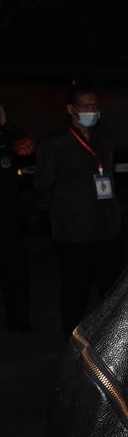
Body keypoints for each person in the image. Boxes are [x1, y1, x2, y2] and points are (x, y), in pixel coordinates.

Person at [35, 85, 121, 338]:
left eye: (94, 105)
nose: (90, 110)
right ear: (70, 109)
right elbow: (42, 187)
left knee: (110, 289)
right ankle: (71, 341)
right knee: (76, 291)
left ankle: (109, 341)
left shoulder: (104, 140)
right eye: (85, 106)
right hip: (74, 233)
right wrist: (63, 213)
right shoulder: (55, 144)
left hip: (106, 229)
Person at [0, 102, 34, 331]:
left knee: (15, 273)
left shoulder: (6, 138)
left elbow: (26, 147)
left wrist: (6, 125)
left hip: (8, 219)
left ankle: (19, 321)